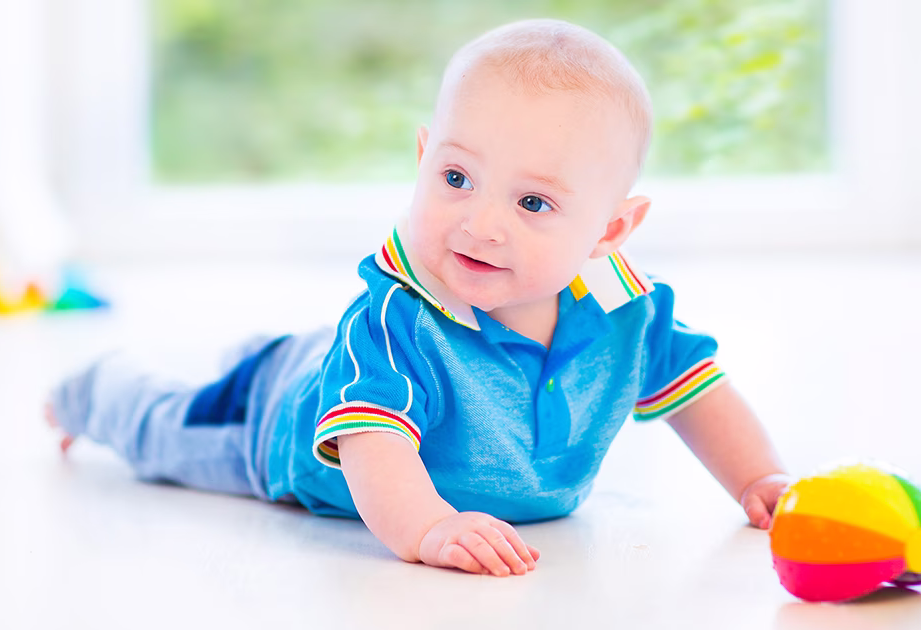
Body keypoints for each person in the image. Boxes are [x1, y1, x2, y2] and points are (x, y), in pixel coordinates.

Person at [47, 18, 792, 578]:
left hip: (329, 364)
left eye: (533, 204)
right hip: (282, 432)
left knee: (284, 357)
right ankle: (98, 391)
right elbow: (377, 445)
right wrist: (430, 528)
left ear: (611, 230)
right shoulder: (400, 319)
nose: (480, 223)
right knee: (175, 432)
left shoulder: (626, 312)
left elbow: (700, 393)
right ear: (423, 158)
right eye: (457, 178)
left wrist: (759, 479)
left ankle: (258, 355)